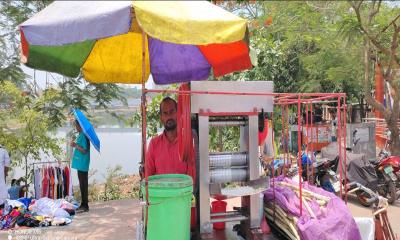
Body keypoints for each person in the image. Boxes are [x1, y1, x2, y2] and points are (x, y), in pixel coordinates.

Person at [145, 97, 195, 180]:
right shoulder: (154, 144)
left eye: (172, 112)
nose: (169, 116)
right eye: (165, 113)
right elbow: (148, 177)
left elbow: (192, 178)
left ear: (178, 113)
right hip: (160, 192)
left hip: (183, 192)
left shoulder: (188, 142)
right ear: (161, 118)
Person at [71, 120, 90, 213]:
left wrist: (75, 146)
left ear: (81, 126)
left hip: (83, 164)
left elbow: (85, 150)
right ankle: (83, 204)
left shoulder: (84, 136)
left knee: (83, 184)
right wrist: (75, 144)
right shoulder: (80, 135)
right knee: (81, 184)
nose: (76, 127)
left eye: (77, 126)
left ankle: (85, 205)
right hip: (80, 164)